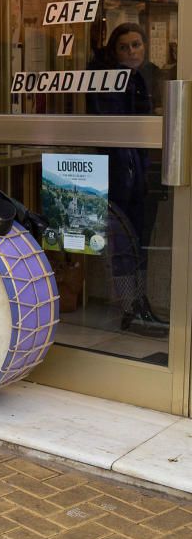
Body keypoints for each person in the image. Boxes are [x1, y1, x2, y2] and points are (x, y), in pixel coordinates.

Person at [87, 22, 167, 336]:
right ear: (113, 51)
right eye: (124, 47)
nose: (131, 52)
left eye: (136, 45)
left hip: (141, 169)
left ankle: (140, 302)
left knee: (140, 241)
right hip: (118, 172)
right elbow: (112, 131)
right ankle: (129, 307)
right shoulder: (106, 78)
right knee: (122, 240)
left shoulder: (147, 75)